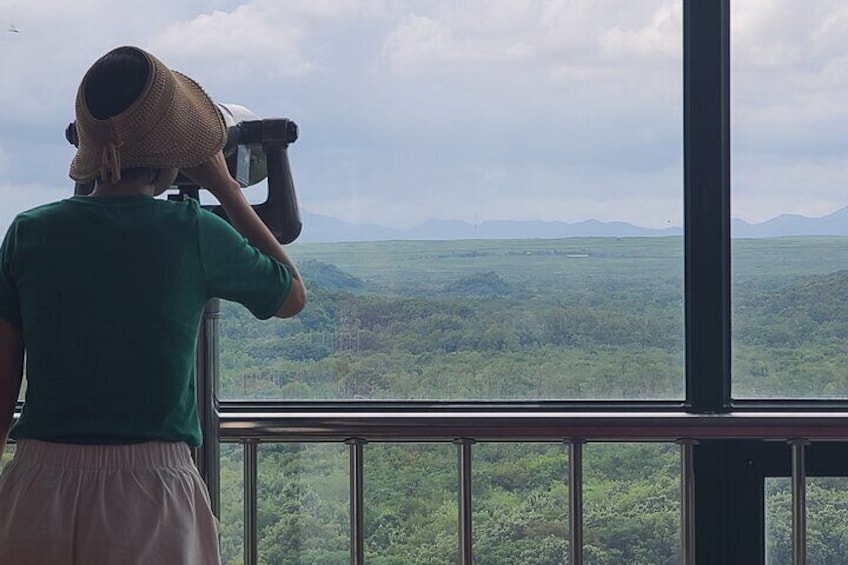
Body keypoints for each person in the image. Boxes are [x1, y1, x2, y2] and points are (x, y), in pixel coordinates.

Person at [0, 45, 306, 564]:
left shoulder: (29, 233)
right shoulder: (191, 232)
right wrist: (227, 189)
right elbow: (290, 295)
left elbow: (3, 387)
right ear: (173, 152)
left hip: (36, 486)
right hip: (151, 488)